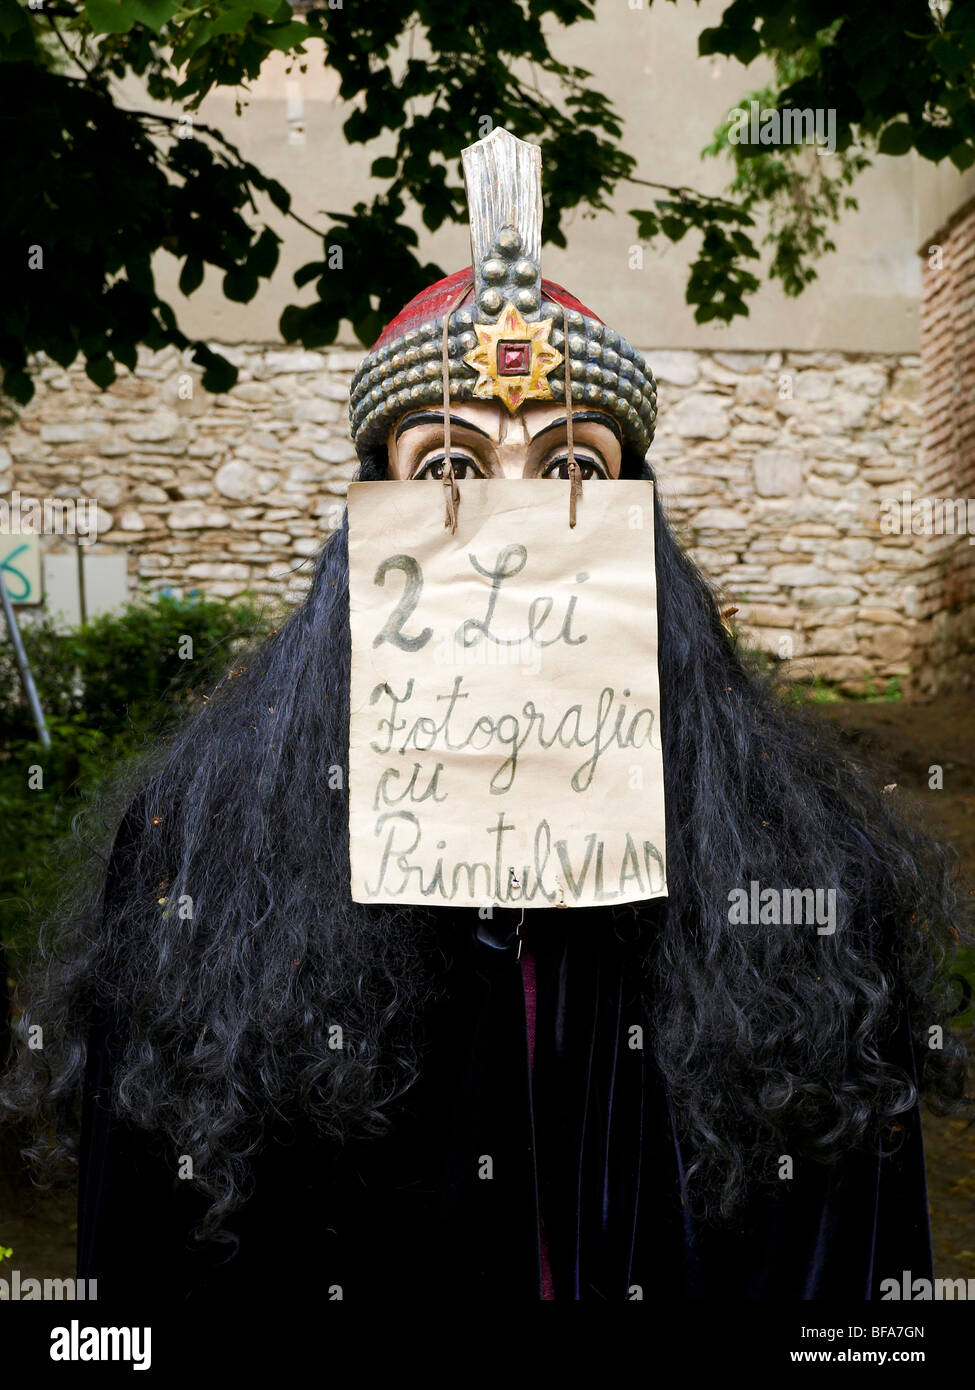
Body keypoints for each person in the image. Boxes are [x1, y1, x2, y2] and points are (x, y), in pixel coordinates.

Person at [2, 128, 968, 1306]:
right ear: (371, 515)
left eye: (570, 469)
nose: (512, 517)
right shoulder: (193, 847)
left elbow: (845, 1259)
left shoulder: (801, 860)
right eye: (450, 464)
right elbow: (152, 1250)